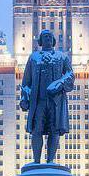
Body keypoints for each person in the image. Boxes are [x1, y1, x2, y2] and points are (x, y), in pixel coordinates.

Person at [20, 30, 74, 163]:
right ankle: (36, 161)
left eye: (50, 37)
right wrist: (24, 98)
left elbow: (70, 74)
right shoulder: (34, 57)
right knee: (36, 129)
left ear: (54, 40)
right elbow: (26, 81)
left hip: (56, 101)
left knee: (54, 130)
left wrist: (60, 83)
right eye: (45, 37)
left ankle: (50, 160)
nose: (48, 39)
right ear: (40, 41)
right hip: (38, 101)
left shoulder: (62, 56)